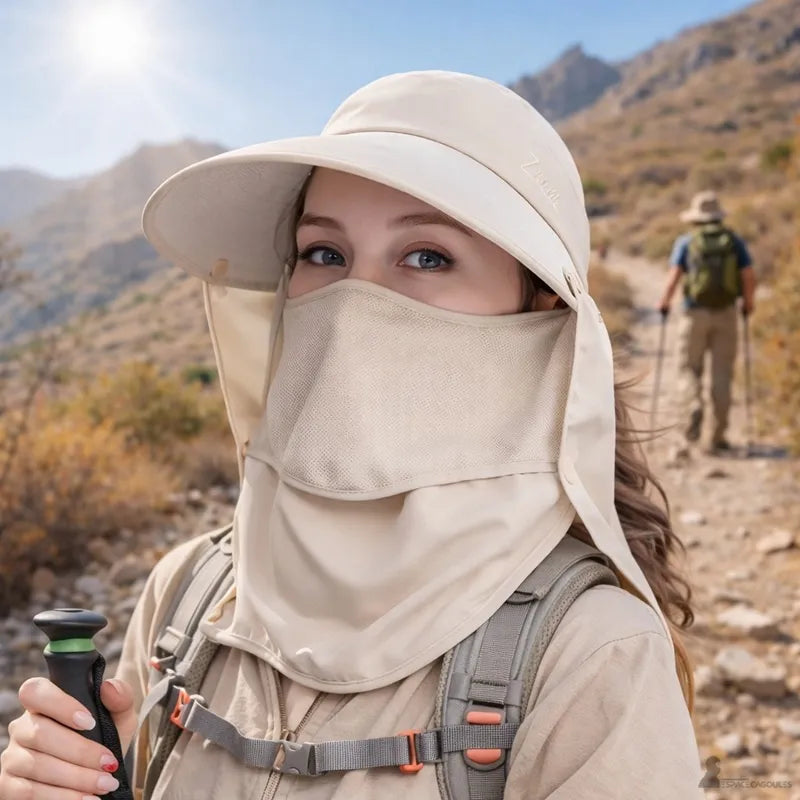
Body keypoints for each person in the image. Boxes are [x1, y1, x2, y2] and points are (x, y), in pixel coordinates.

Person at [0, 70, 705, 799]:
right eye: (323, 254)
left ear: (539, 313)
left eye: (428, 256)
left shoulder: (594, 654)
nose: (351, 302)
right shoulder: (187, 591)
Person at [658, 191, 756, 451]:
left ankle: (692, 406)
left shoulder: (686, 242)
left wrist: (665, 303)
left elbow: (674, 276)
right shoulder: (734, 242)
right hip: (726, 313)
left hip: (694, 313)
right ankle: (717, 436)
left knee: (688, 367)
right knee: (722, 373)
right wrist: (748, 304)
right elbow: (747, 275)